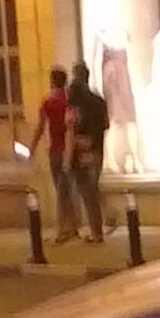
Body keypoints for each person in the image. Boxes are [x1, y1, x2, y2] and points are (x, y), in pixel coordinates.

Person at [31, 64, 81, 244]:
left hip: (56, 149)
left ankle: (60, 231)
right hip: (72, 149)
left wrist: (33, 146)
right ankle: (72, 226)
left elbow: (40, 126)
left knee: (60, 190)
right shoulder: (70, 102)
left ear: (52, 81)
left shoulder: (48, 102)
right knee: (68, 188)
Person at [63, 59, 109, 245]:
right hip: (97, 149)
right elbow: (106, 124)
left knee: (87, 192)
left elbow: (70, 127)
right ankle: (98, 229)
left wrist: (67, 158)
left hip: (80, 150)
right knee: (92, 190)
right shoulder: (99, 101)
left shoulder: (74, 100)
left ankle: (96, 231)